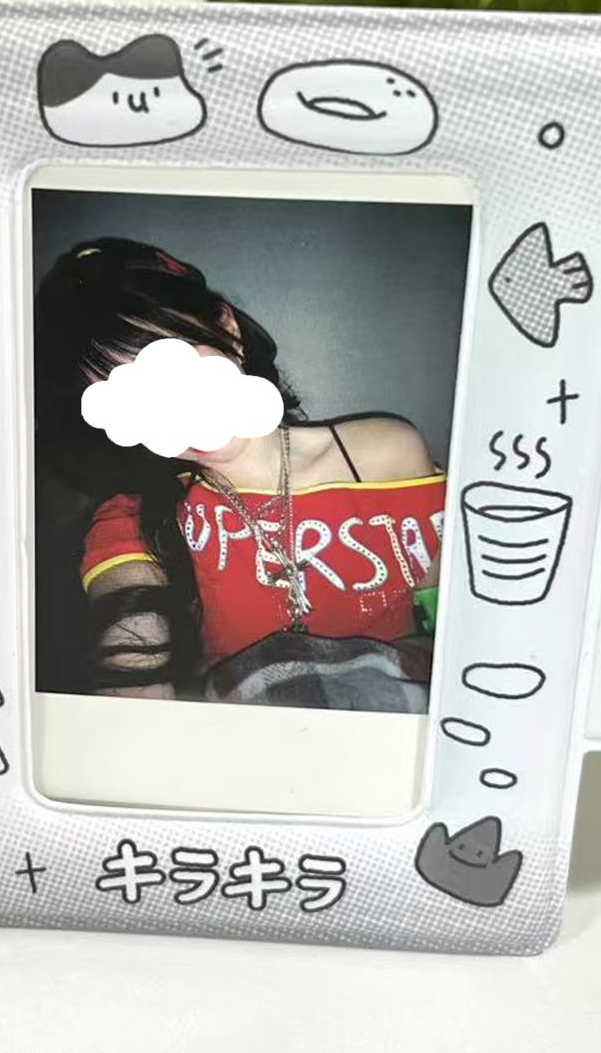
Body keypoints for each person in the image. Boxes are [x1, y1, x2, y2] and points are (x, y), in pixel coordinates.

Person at [34, 238, 447, 709]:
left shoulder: (388, 456)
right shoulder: (134, 517)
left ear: (226, 328)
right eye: (131, 399)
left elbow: (461, 630)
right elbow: (131, 660)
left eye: (171, 367)